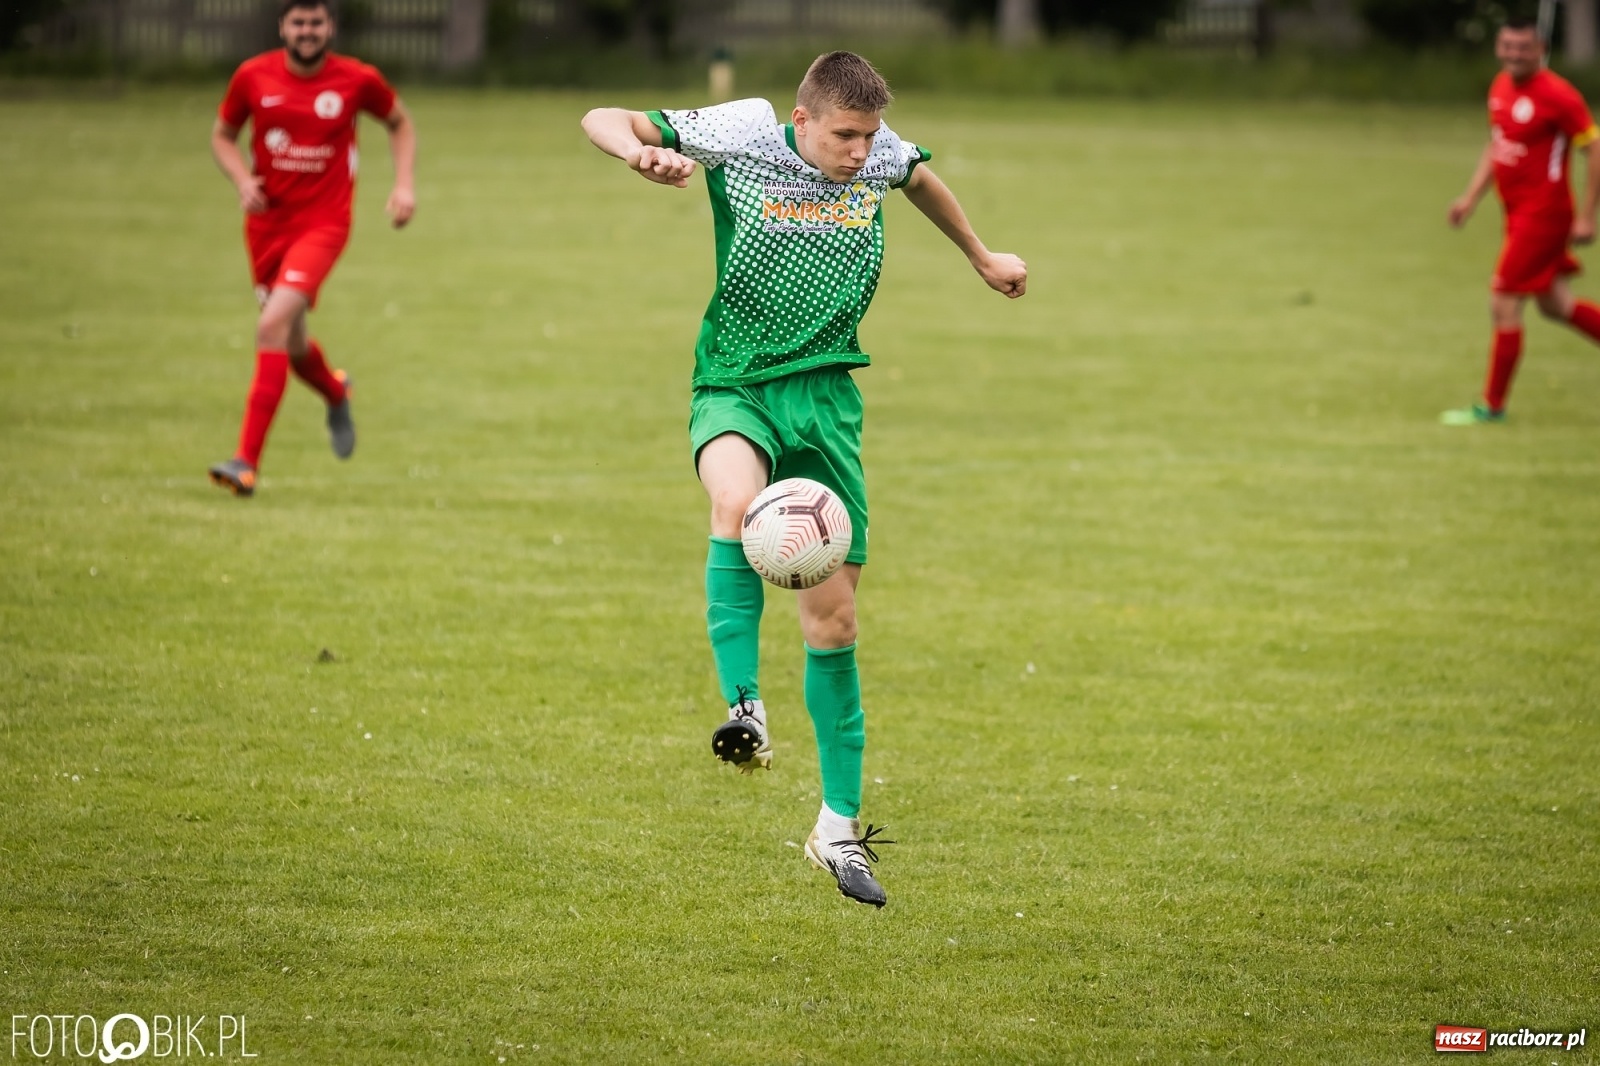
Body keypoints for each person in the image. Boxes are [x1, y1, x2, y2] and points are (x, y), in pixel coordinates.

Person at [581, 52, 1027, 907]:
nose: (862, 153)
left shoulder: (883, 152)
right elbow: (603, 115)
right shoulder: (743, 130)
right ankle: (744, 706)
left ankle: (836, 832)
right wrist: (639, 153)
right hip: (737, 381)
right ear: (802, 117)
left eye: (869, 137)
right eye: (845, 137)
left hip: (828, 404)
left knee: (834, 623)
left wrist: (978, 253)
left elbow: (920, 176)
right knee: (733, 501)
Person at [207, 0, 416, 495]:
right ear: (282, 26)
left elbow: (400, 123)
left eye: (316, 22)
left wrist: (403, 185)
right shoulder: (252, 77)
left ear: (330, 27)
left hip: (323, 225)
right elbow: (222, 136)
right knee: (292, 340)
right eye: (298, 22)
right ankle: (334, 389)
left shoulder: (357, 79)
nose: (306, 31)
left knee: (271, 325)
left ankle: (245, 462)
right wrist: (241, 179)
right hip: (265, 226)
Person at [1444, 17, 1600, 425]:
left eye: (1522, 47)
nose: (1513, 54)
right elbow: (1498, 146)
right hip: (1515, 213)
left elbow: (1595, 149)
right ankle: (1494, 406)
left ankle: (1492, 406)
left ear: (1540, 49)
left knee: (1504, 301)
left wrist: (1587, 217)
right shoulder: (1500, 87)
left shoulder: (1559, 96)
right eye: (1507, 46)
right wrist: (1470, 198)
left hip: (1544, 215)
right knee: (1556, 305)